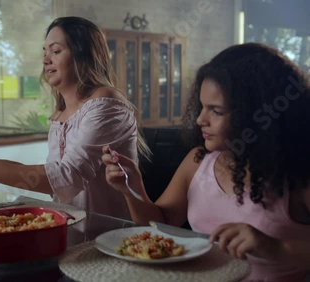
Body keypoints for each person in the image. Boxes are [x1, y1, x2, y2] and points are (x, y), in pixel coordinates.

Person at [103, 42, 310, 281]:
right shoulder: (198, 161)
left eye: (216, 111)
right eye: (202, 107)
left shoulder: (298, 175)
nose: (200, 119)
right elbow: (159, 224)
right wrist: (132, 187)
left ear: (257, 114)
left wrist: (275, 248)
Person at [0, 16, 150, 220]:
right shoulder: (60, 114)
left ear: (84, 55)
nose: (45, 60)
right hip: (69, 233)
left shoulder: (106, 103)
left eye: (56, 51)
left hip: (109, 238)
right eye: (44, 52)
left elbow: (68, 177)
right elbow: (53, 175)